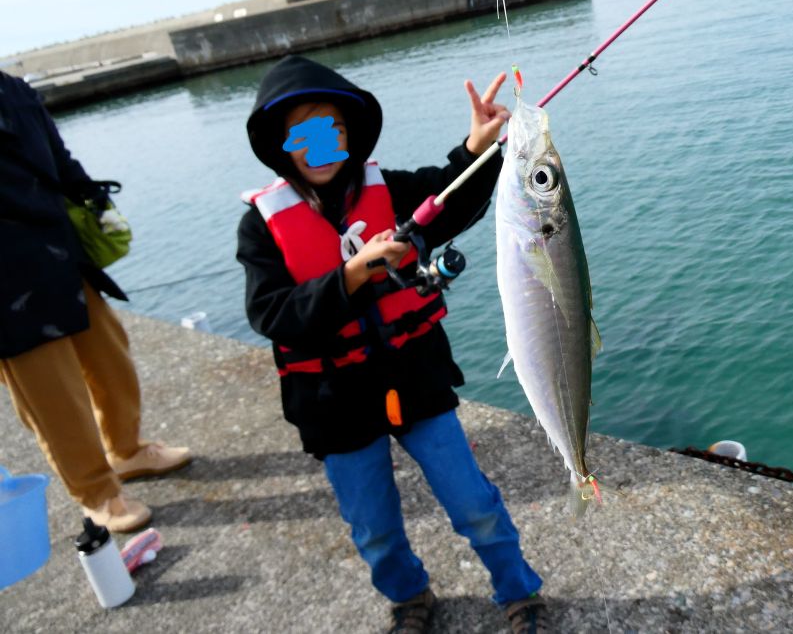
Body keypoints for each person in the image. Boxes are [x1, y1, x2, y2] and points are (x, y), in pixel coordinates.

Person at [236, 56, 548, 634]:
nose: (318, 145)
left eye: (330, 129)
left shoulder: (391, 190)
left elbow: (451, 197)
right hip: (333, 400)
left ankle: (518, 589)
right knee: (373, 527)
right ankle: (409, 598)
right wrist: (351, 276)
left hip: (416, 376)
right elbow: (269, 313)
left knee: (474, 503)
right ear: (281, 146)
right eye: (300, 135)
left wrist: (478, 146)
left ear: (349, 135)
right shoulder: (261, 225)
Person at [0, 71, 192, 533]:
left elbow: (58, 156)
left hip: (60, 251)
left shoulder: (14, 89)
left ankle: (124, 452)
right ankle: (97, 493)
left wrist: (92, 197)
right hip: (5, 282)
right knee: (53, 396)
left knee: (110, 358)